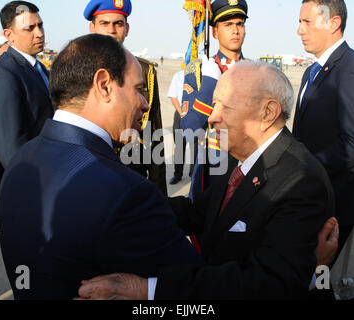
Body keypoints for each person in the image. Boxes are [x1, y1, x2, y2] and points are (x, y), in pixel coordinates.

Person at [77, 61, 337, 300]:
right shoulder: (241, 159)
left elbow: (265, 284)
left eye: (226, 106)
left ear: (267, 113)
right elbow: (197, 211)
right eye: (214, 104)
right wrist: (121, 205)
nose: (212, 117)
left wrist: (146, 289)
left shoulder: (300, 182)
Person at [0, 34, 203, 300]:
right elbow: (196, 294)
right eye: (139, 89)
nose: (145, 103)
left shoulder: (21, 160)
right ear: (104, 85)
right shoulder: (126, 191)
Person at [0, 1, 54, 300]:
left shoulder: (38, 68)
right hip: (30, 198)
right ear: (9, 35)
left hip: (46, 192)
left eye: (40, 25)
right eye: (30, 28)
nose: (39, 33)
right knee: (32, 284)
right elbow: (12, 152)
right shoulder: (4, 74)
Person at [293, 0, 354, 259]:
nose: (300, 30)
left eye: (307, 22)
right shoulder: (310, 72)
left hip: (334, 205)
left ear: (334, 23)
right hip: (308, 198)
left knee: (317, 278)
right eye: (299, 22)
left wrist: (301, 165)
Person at [84, 0, 167, 195]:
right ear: (92, 28)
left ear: (127, 28)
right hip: (89, 172)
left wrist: (159, 193)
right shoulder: (79, 69)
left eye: (118, 23)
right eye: (104, 23)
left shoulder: (144, 71)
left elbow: (154, 132)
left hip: (132, 172)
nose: (111, 30)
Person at [181, 0, 249, 201]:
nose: (235, 30)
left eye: (240, 24)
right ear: (215, 32)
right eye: (228, 25)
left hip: (245, 168)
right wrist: (210, 83)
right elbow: (189, 130)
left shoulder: (256, 73)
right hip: (212, 168)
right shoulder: (199, 72)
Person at [167, 70, 195, 185]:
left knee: (195, 146)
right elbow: (173, 96)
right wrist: (182, 112)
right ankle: (177, 174)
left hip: (195, 114)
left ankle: (193, 174)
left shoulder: (202, 76)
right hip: (180, 113)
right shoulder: (178, 75)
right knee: (179, 146)